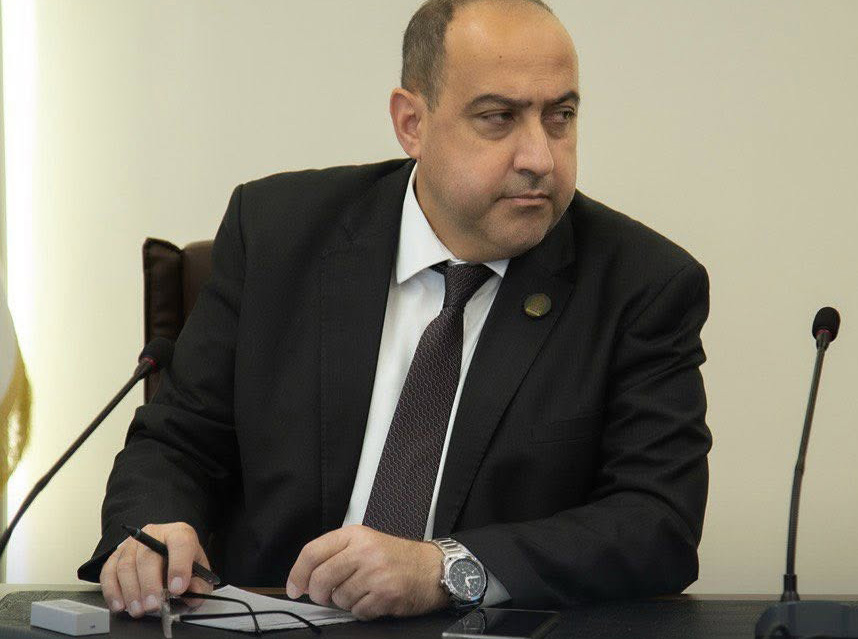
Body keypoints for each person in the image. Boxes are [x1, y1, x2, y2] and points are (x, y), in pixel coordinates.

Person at [79, 0, 712, 622]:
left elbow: (656, 522)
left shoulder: (642, 286)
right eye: (499, 118)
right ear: (412, 123)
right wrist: (152, 531)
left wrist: (446, 568)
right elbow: (179, 443)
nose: (540, 158)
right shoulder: (276, 235)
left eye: (560, 117)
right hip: (267, 618)